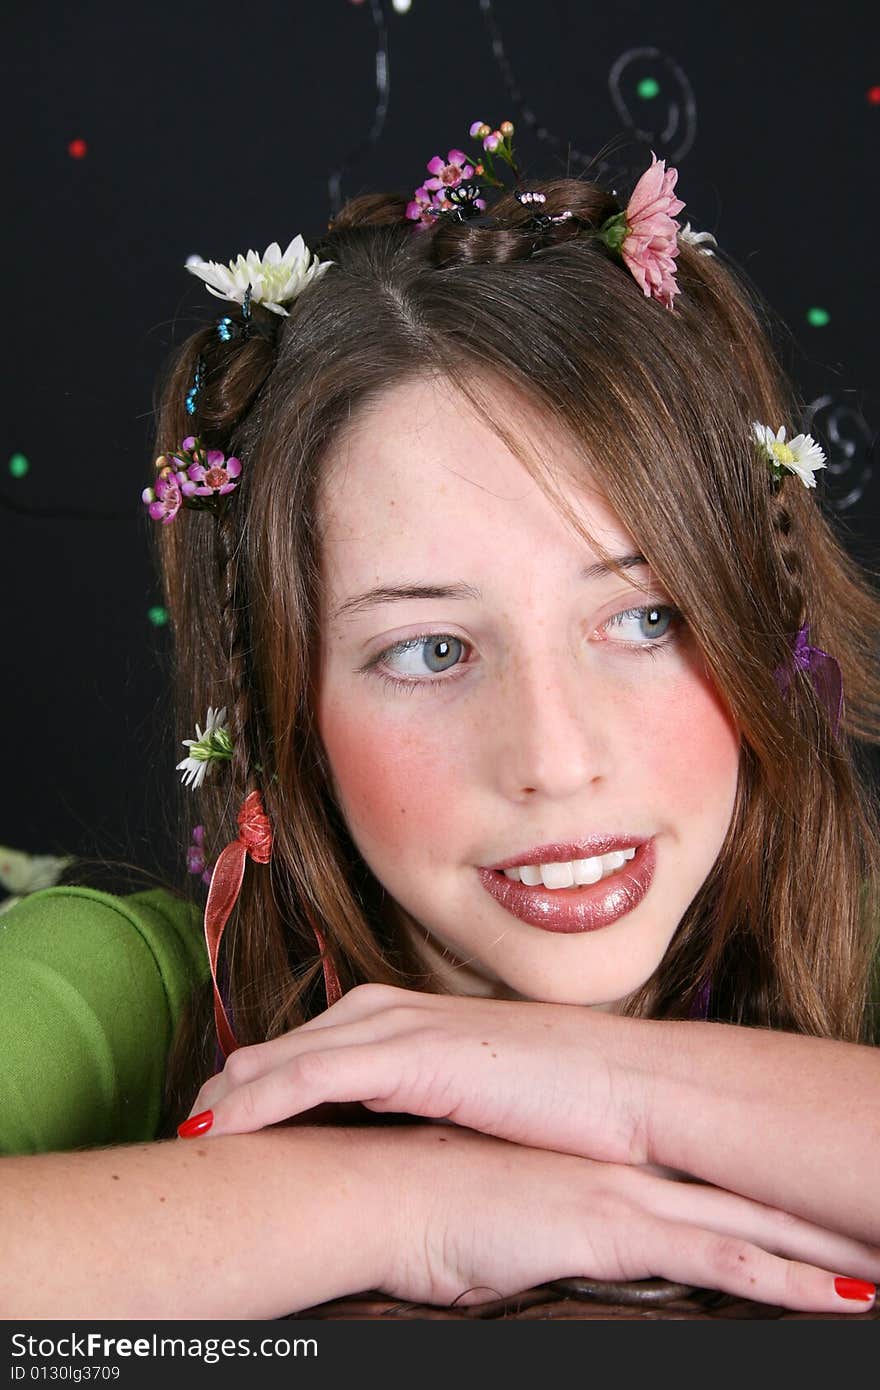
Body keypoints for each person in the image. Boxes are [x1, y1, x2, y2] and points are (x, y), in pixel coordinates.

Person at [1, 122, 879, 1321]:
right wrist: (401, 1203)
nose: (556, 761)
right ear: (282, 709)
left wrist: (611, 1084)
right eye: (430, 650)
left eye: (645, 618)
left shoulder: (862, 956)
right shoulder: (119, 992)